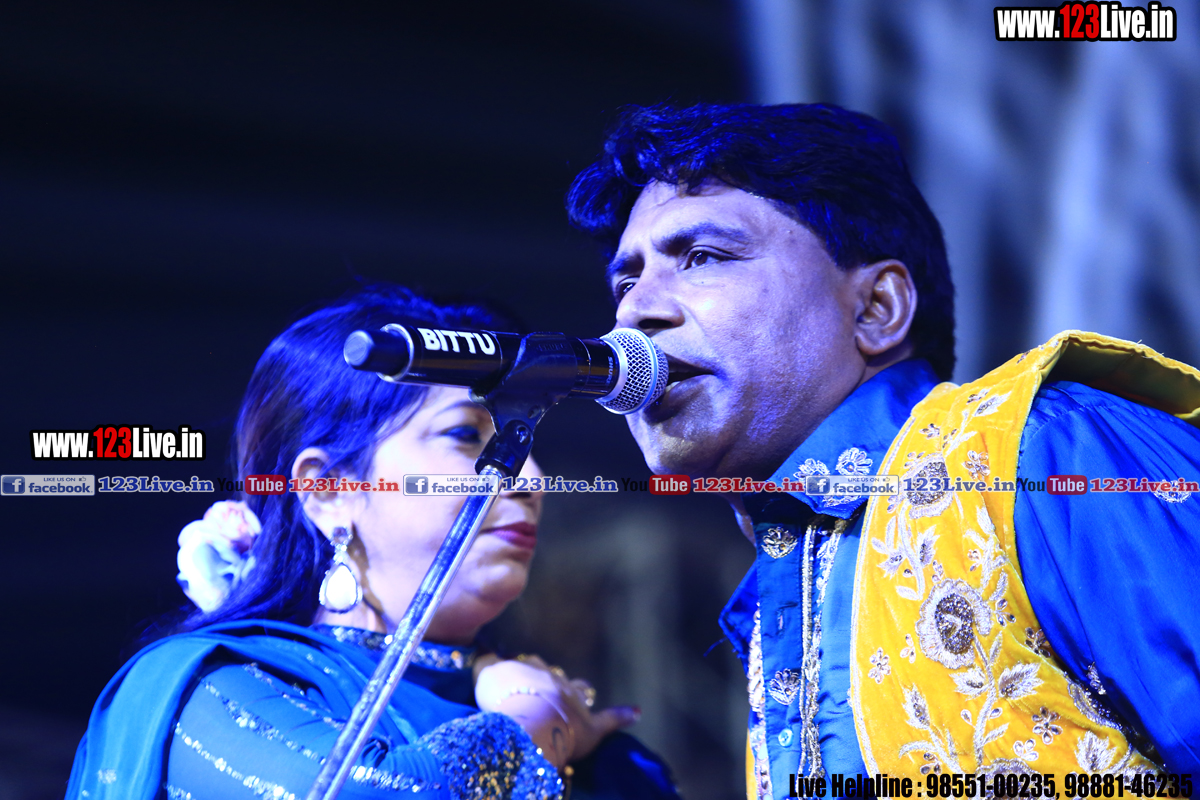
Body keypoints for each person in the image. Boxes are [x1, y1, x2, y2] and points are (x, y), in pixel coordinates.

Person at [565, 102, 1200, 793]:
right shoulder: (786, 594)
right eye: (625, 281)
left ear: (876, 309)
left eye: (702, 257)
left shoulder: (1042, 449)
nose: (634, 312)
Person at [66, 285, 679, 800]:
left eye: (524, 443)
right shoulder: (209, 690)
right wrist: (533, 720)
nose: (531, 479)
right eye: (466, 434)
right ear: (329, 489)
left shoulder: (607, 759)